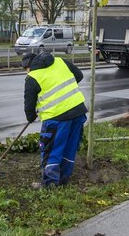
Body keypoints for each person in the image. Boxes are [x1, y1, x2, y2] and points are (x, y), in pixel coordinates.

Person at [21, 50, 88, 188]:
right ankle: (63, 180)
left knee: (51, 149)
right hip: (78, 111)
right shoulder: (60, 61)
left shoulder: (32, 77)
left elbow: (29, 106)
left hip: (56, 118)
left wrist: (31, 116)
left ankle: (50, 184)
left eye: (26, 70)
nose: (27, 72)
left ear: (29, 66)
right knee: (70, 147)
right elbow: (79, 76)